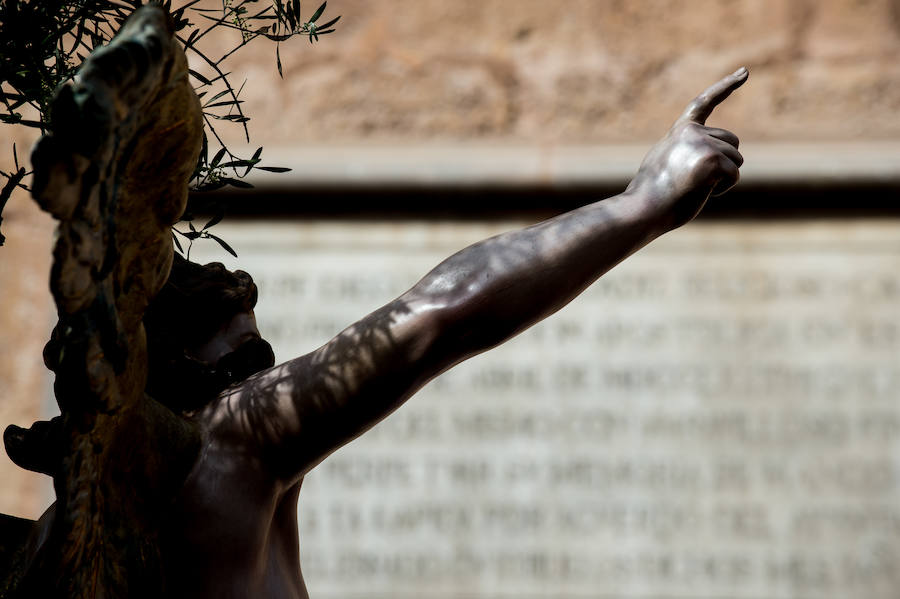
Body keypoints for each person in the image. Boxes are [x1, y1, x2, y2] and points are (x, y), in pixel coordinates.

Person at [19, 68, 750, 598]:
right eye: (247, 361)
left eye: (267, 357)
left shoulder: (98, 519)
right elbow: (442, 311)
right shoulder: (228, 447)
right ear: (174, 362)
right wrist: (640, 204)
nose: (274, 378)